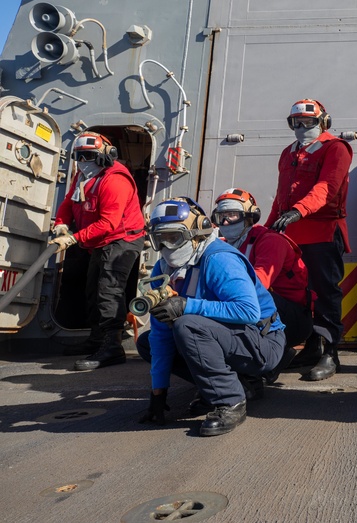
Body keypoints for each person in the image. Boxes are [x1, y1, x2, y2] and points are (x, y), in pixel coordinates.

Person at [135, 197, 286, 436]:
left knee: (188, 325)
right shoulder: (163, 268)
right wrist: (158, 393)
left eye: (173, 237)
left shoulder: (218, 258)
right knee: (148, 342)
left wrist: (187, 305)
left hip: (263, 341)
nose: (167, 248)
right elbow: (162, 334)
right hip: (231, 338)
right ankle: (240, 384)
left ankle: (230, 402)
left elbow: (248, 311)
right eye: (160, 239)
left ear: (196, 233)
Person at [266, 99, 353, 381]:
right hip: (292, 234)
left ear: (323, 121)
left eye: (308, 122)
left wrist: (298, 211)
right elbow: (281, 195)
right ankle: (312, 346)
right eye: (296, 123)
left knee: (326, 293)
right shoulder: (288, 153)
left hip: (323, 232)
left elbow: (327, 187)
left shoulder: (335, 149)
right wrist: (269, 228)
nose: (302, 128)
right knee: (300, 294)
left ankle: (331, 352)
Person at [49, 131, 145, 371]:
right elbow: (69, 202)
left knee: (108, 291)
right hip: (99, 241)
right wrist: (61, 222)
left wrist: (73, 238)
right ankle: (97, 339)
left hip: (121, 239)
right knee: (93, 289)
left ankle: (113, 347)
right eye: (79, 156)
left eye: (89, 156)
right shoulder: (82, 176)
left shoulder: (115, 181)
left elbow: (108, 223)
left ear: (107, 155)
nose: (84, 162)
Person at [212, 188, 313, 375]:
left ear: (250, 217)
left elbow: (258, 285)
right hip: (268, 311)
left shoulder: (270, 241)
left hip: (292, 318)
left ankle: (261, 362)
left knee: (246, 298)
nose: (225, 222)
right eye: (221, 216)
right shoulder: (225, 243)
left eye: (232, 215)